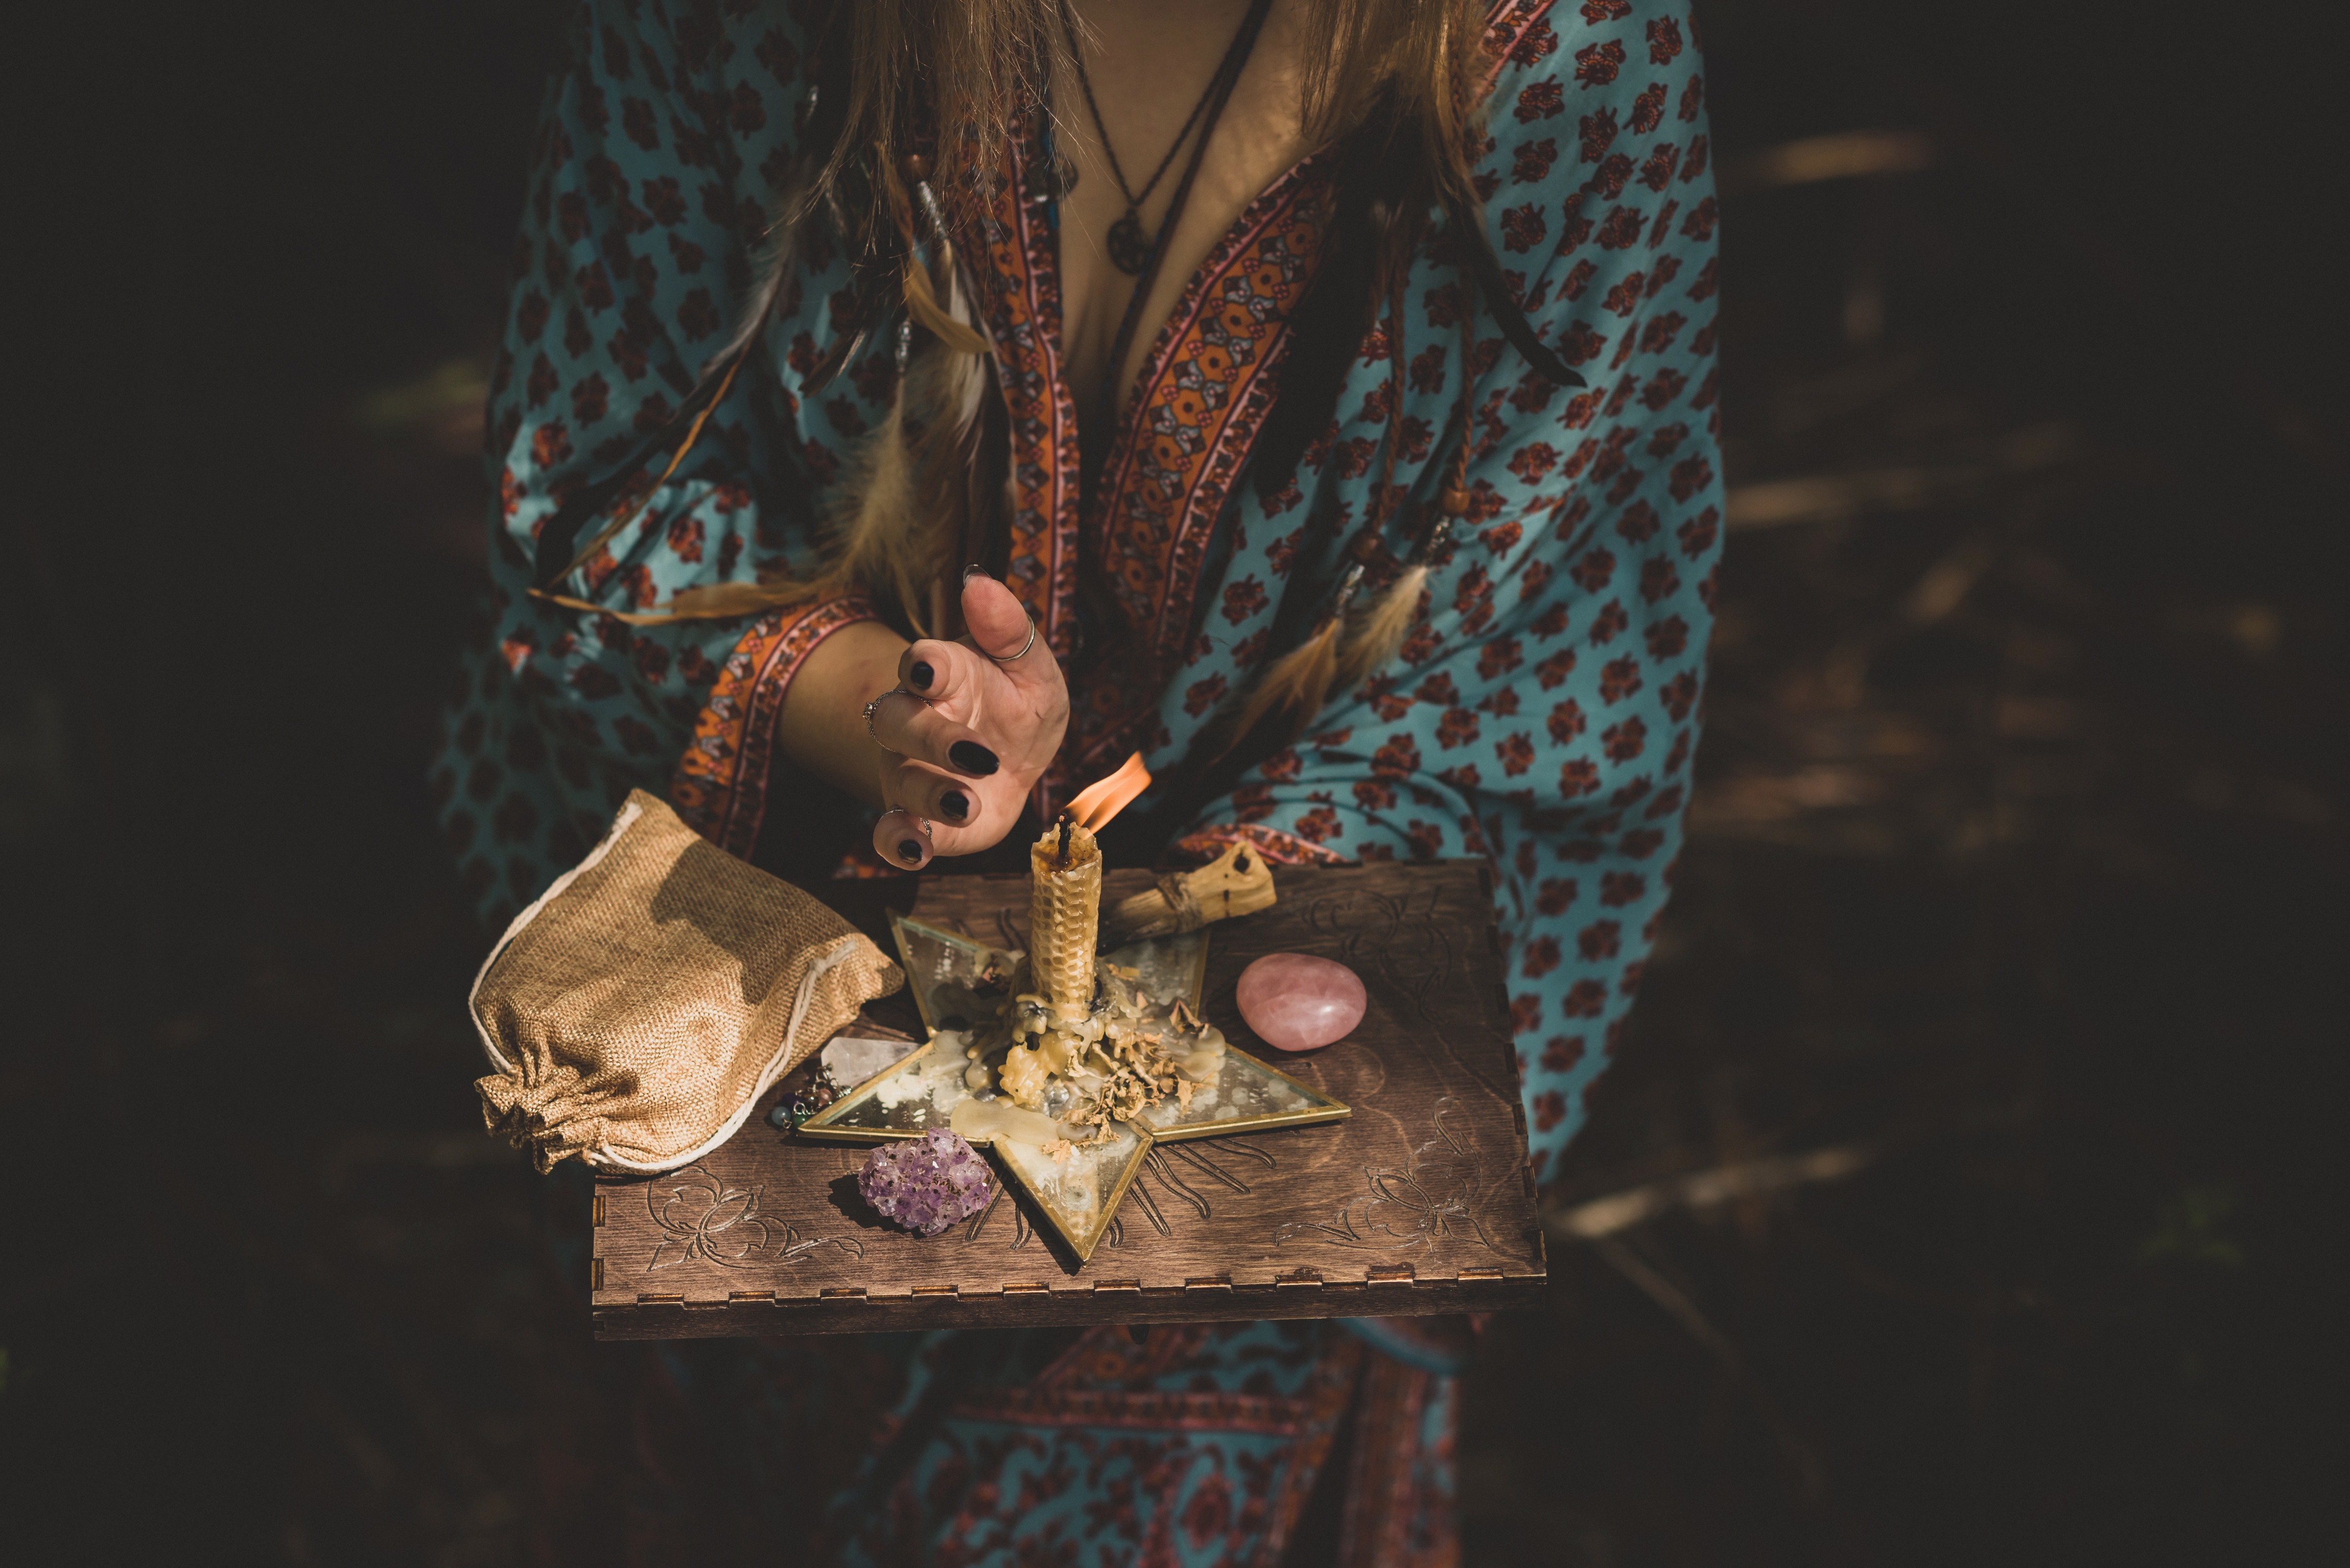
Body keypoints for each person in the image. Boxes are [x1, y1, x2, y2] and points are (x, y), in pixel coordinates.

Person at [434, 0, 1722, 1559]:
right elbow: (592, 495)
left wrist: (1227, 918)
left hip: (1239, 1138)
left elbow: (1547, 661)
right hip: (736, 992)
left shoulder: (1564, 62)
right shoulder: (753, 25)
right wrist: (891, 720)